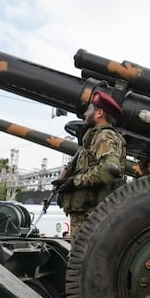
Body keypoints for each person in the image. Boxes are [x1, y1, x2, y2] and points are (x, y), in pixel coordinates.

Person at [56, 91, 127, 240]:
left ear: (99, 112)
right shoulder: (95, 137)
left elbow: (110, 169)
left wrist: (75, 182)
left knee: (83, 261)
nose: (85, 114)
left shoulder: (104, 136)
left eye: (89, 110)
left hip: (91, 217)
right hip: (88, 215)